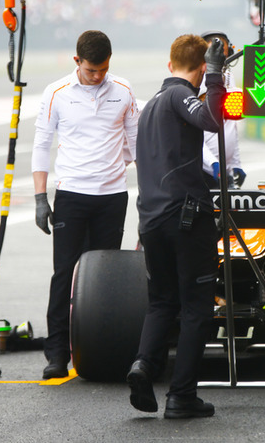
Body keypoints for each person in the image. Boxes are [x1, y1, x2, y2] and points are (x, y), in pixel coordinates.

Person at [127, 34, 226, 419]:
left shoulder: (150, 104)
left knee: (162, 302)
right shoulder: (178, 96)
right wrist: (216, 78)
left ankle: (144, 365)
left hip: (151, 219)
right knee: (197, 309)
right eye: (206, 71)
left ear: (170, 64)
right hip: (185, 218)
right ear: (200, 69)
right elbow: (212, 120)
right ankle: (181, 396)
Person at [31, 30, 139, 380]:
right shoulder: (56, 93)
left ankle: (100, 351)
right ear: (77, 61)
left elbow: (137, 146)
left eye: (104, 69)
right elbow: (41, 145)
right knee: (65, 275)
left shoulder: (122, 90)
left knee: (105, 281)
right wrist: (39, 197)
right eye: (92, 70)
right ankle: (57, 354)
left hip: (112, 196)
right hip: (72, 195)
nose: (98, 76)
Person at [199, 30, 246, 189]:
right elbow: (194, 131)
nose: (218, 57)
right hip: (204, 171)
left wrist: (235, 163)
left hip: (225, 171)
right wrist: (213, 163)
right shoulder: (198, 82)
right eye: (213, 53)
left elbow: (231, 126)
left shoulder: (230, 78)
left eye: (222, 53)